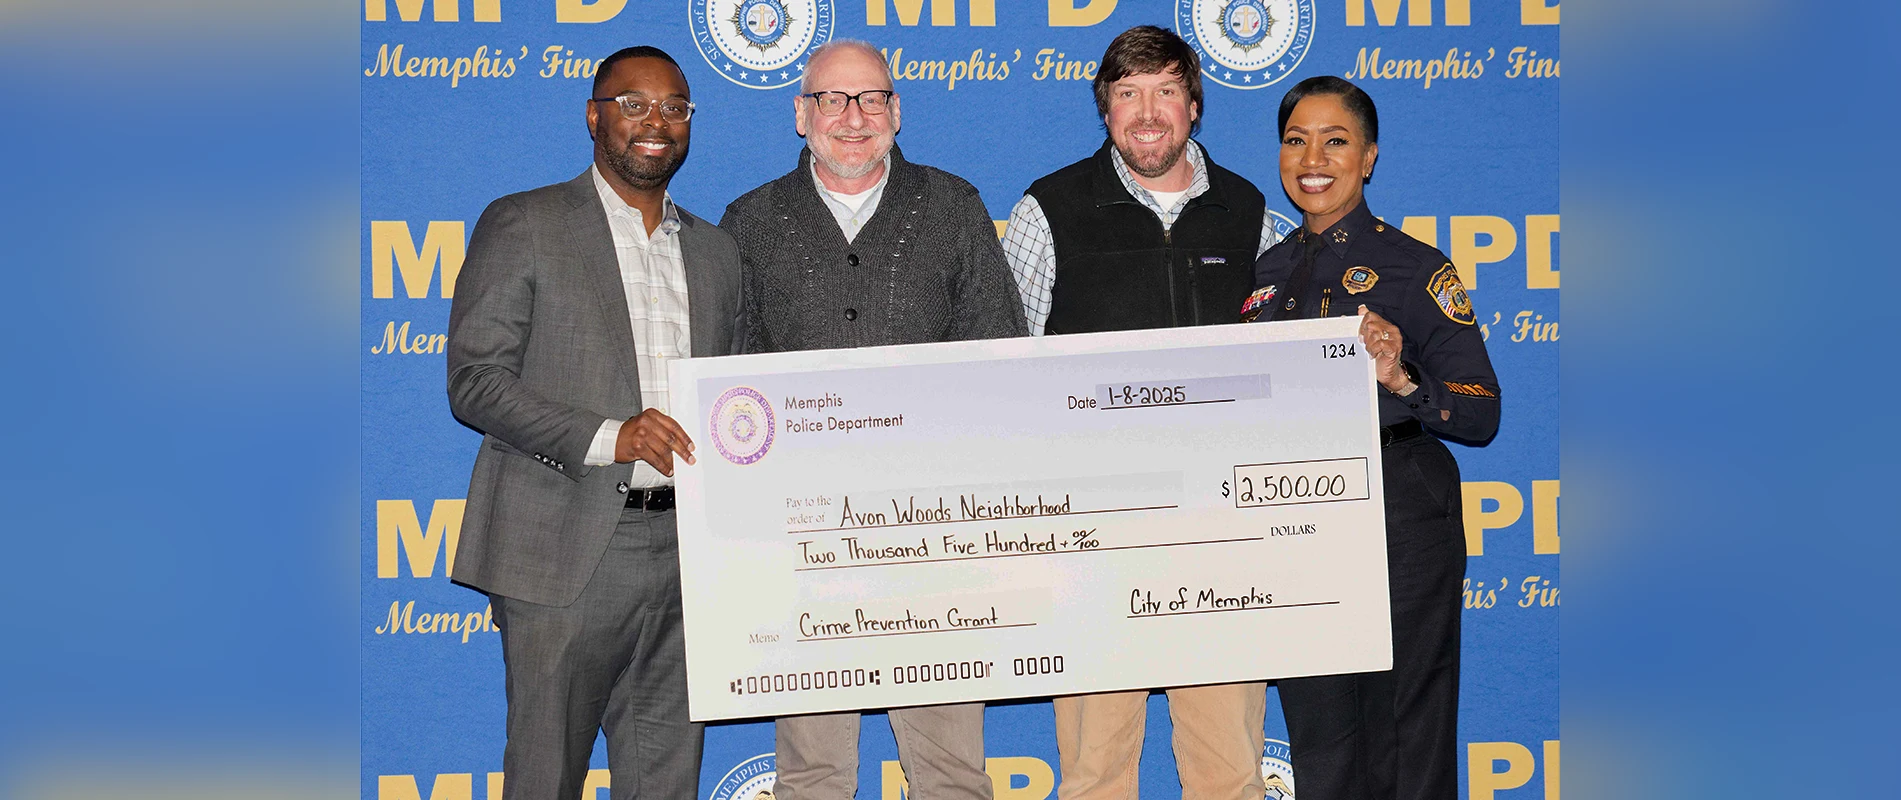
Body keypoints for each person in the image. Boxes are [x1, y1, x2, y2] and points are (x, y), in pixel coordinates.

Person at [718, 40, 1024, 800]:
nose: (853, 118)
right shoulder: (749, 223)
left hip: (936, 542)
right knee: (813, 771)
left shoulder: (953, 207)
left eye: (871, 99)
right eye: (832, 99)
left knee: (952, 769)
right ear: (800, 115)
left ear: (896, 111)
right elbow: (730, 384)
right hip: (802, 544)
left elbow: (1005, 364)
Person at [445, 45, 743, 800]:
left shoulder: (717, 253)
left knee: (667, 782)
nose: (656, 122)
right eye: (634, 103)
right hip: (562, 550)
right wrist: (615, 436)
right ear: (593, 116)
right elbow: (474, 382)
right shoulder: (524, 222)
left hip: (687, 554)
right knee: (545, 779)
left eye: (676, 107)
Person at [1000, 24, 1280, 800]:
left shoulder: (1252, 213)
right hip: (1092, 530)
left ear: (1194, 104)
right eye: (1127, 94)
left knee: (1229, 771)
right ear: (1105, 109)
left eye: (1164, 92)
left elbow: (1298, 354)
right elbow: (1003, 374)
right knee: (1094, 773)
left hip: (1220, 530)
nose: (1146, 113)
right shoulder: (1045, 210)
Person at [1250, 75, 1500, 800]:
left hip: (1399, 510)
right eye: (1295, 141)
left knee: (1407, 734)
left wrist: (1401, 381)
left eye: (1336, 141)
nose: (1312, 158)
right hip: (1296, 519)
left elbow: (1482, 411)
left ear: (1369, 159)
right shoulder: (1264, 276)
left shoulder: (1416, 268)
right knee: (1320, 736)